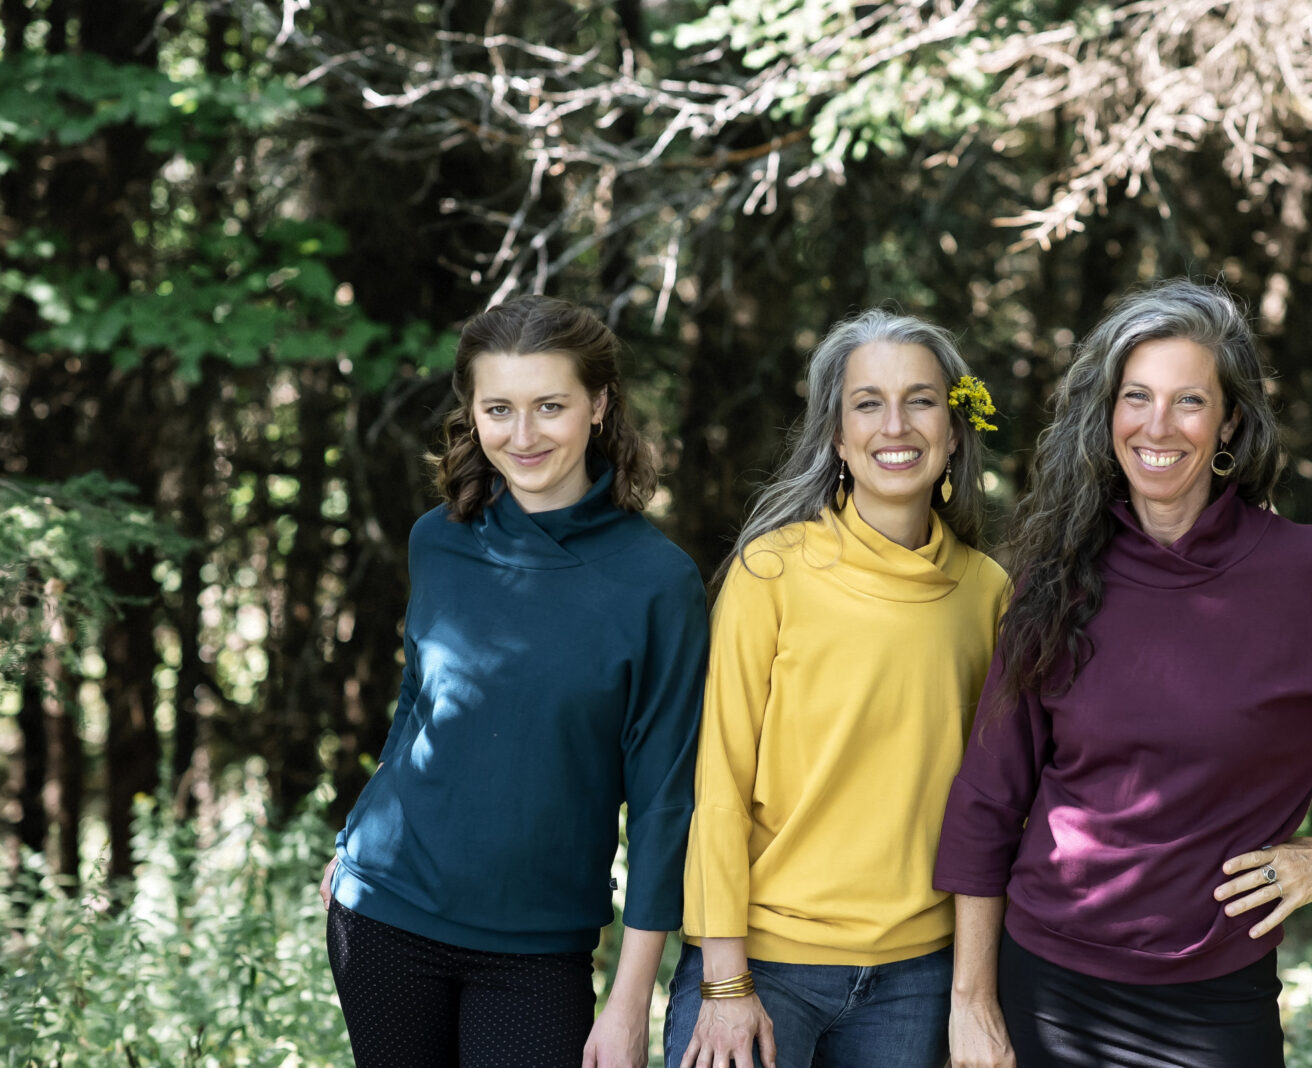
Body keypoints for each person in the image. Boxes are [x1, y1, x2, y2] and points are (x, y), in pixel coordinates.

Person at [934, 279, 1312, 1068]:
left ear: (1229, 420)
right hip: (1044, 986)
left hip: (1214, 1001)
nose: (1158, 426)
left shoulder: (1305, 574)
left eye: (1189, 400)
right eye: (1137, 397)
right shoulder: (1057, 579)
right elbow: (989, 799)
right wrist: (973, 1003)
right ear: (1109, 414)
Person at [318, 295, 709, 1068]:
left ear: (598, 406)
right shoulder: (439, 540)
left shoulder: (659, 584)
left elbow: (665, 804)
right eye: (499, 408)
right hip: (385, 912)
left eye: (550, 406)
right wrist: (352, 836)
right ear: (472, 412)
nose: (523, 436)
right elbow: (418, 703)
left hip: (536, 952)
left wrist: (630, 1002)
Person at [665, 309, 1012, 1068]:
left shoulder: (988, 594)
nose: (897, 425)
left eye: (921, 400)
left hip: (917, 977)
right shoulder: (772, 573)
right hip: (763, 961)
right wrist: (725, 982)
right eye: (868, 403)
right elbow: (718, 785)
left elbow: (994, 804)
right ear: (836, 436)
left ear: (953, 432)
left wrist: (971, 992)